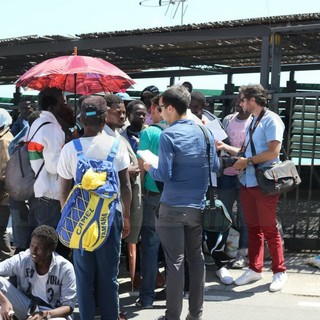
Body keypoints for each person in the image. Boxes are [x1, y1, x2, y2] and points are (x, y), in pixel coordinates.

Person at [143, 85, 220, 320]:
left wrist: (149, 167)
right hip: (197, 207)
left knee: (174, 262)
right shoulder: (206, 132)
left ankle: (172, 316)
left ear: (170, 108)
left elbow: (164, 174)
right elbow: (216, 167)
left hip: (172, 208)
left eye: (160, 108)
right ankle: (195, 315)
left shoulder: (169, 134)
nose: (159, 112)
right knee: (196, 260)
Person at [58, 95, 132, 320]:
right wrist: (127, 217)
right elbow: (125, 187)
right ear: (104, 120)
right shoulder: (116, 146)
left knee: (84, 277)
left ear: (81, 119)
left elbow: (63, 190)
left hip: (80, 220)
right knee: (109, 277)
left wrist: (67, 218)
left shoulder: (71, 149)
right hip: (109, 219)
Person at [216, 84, 288, 292]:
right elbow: (244, 150)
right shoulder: (254, 121)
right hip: (247, 181)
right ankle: (255, 269)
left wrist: (246, 162)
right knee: (253, 227)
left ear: (253, 100)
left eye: (242, 100)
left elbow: (273, 153)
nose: (240, 103)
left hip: (263, 182)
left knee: (269, 228)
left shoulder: (271, 120)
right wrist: (225, 147)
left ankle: (279, 271)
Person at [0, 225, 77, 320]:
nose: (33, 251)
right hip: (26, 306)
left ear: (50, 250)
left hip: (51, 313)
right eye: (32, 245)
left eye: (39, 248)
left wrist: (44, 314)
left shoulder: (65, 268)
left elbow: (69, 307)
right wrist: (3, 301)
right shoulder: (23, 258)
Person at [135, 95, 166, 309]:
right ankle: (174, 293)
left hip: (152, 196)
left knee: (150, 248)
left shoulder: (148, 132)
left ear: (154, 110)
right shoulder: (176, 132)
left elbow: (140, 167)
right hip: (174, 196)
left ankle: (146, 297)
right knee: (174, 249)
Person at [219, 95, 251, 269]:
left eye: (242, 101)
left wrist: (227, 148)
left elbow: (246, 152)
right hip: (226, 173)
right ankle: (221, 251)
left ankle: (242, 253)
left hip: (246, 175)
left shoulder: (253, 122)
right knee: (224, 213)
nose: (238, 103)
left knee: (244, 215)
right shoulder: (227, 119)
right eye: (237, 100)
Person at [0, 108, 14, 261]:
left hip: (3, 194)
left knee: (1, 229)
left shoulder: (4, 140)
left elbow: (4, 172)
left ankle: (6, 261)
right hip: (4, 193)